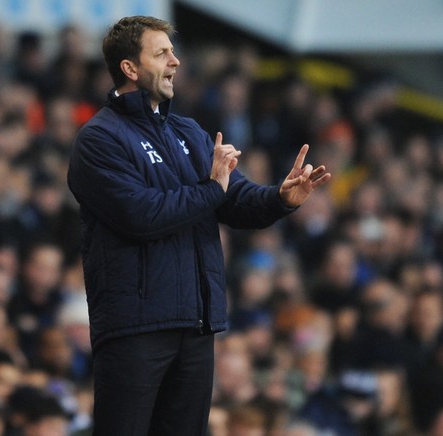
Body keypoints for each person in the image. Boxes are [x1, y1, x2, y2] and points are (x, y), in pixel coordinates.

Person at [66, 15, 330, 436]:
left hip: (195, 323)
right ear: (129, 68)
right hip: (136, 326)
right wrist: (211, 189)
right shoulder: (100, 139)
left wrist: (280, 198)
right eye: (161, 53)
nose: (175, 62)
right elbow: (142, 215)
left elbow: (235, 198)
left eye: (173, 51)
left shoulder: (187, 131)